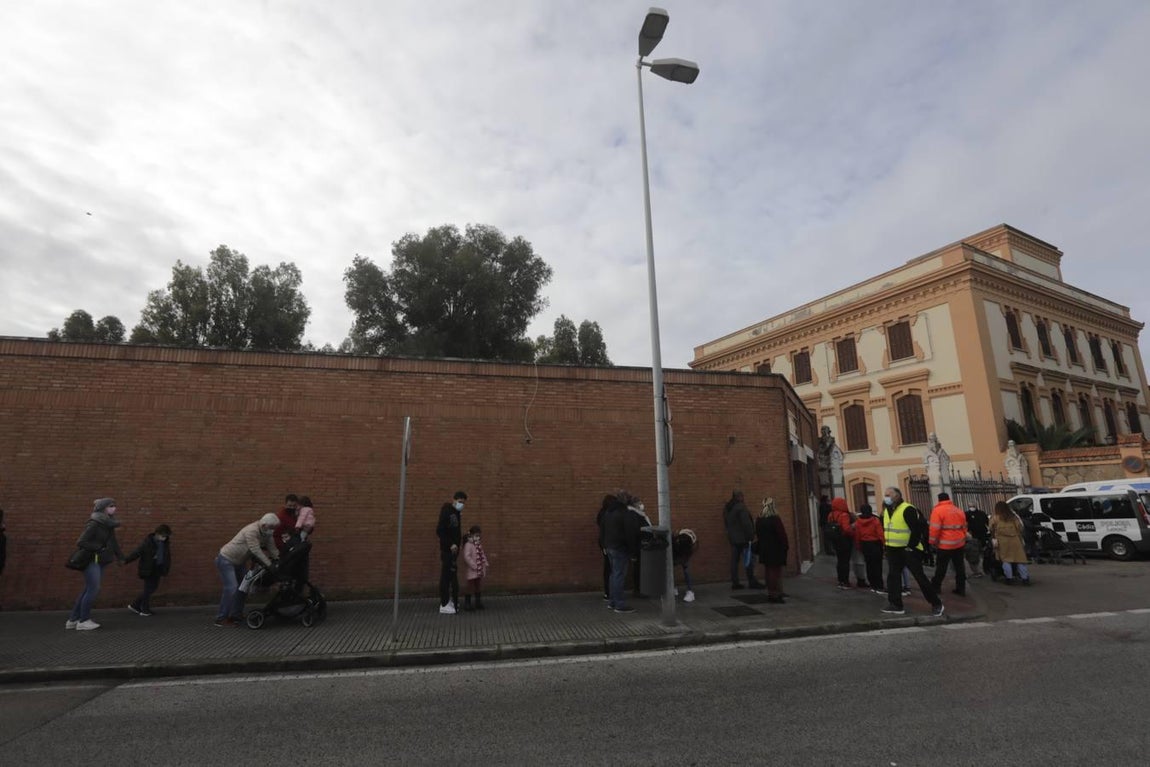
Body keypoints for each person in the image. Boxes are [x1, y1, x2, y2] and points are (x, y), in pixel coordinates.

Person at [880, 486, 944, 617]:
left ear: (897, 496)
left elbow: (917, 528)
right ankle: (896, 604)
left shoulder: (907, 509)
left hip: (909, 550)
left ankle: (936, 603)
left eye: (889, 495)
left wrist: (910, 546)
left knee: (919, 577)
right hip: (893, 549)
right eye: (885, 495)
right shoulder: (887, 511)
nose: (886, 497)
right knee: (893, 577)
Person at [67, 498, 125, 631]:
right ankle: (84, 620)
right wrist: (99, 548)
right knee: (94, 589)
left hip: (102, 560)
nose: (114, 508)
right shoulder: (94, 523)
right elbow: (81, 541)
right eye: (111, 506)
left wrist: (120, 557)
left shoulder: (108, 524)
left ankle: (73, 620)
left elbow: (113, 542)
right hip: (91, 560)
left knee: (88, 589)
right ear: (103, 508)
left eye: (114, 505)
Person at [216, 513, 280, 627]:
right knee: (231, 588)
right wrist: (270, 565)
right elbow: (255, 550)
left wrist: (279, 560)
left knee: (244, 587)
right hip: (226, 559)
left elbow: (272, 549)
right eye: (272, 528)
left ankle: (236, 615)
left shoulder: (267, 534)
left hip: (239, 562)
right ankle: (221, 618)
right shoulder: (251, 531)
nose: (273, 531)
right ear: (264, 525)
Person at [124, 524, 172, 616]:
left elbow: (167, 556)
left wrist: (166, 566)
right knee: (148, 589)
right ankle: (144, 609)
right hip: (149, 568)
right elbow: (137, 552)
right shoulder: (148, 543)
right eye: (163, 536)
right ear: (157, 534)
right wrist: (125, 560)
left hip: (158, 567)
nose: (164, 538)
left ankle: (135, 605)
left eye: (166, 536)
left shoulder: (165, 543)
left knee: (152, 588)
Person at [929, 493, 968, 597]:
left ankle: (936, 587)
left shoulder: (937, 511)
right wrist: (963, 536)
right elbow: (964, 526)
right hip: (959, 543)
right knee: (959, 567)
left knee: (941, 567)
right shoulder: (958, 510)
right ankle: (961, 588)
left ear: (939, 500)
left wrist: (932, 542)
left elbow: (934, 529)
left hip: (944, 545)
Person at [602, 491, 635, 613]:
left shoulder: (608, 512)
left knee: (613, 574)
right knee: (619, 575)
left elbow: (603, 529)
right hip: (620, 547)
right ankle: (619, 604)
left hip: (610, 546)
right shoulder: (624, 513)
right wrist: (633, 550)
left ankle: (612, 601)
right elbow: (629, 533)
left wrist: (604, 545)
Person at [436, 491, 467, 615]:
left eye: (463, 503)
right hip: (447, 550)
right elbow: (440, 530)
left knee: (451, 576)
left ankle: (450, 600)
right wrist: (451, 544)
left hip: (454, 551)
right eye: (460, 502)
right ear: (454, 500)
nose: (461, 504)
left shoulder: (457, 513)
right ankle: (444, 604)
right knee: (445, 576)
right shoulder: (447, 511)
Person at [724, 490, 761, 589]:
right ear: (739, 496)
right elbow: (746, 524)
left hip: (733, 539)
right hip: (743, 539)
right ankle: (752, 581)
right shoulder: (741, 507)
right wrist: (751, 535)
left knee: (734, 561)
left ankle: (735, 582)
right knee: (749, 559)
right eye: (742, 496)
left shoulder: (728, 508)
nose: (743, 498)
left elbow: (727, 524)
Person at [755, 498, 789, 603]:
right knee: (775, 572)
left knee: (768, 570)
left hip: (764, 549)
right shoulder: (775, 519)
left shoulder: (759, 519)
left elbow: (758, 534)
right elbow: (782, 535)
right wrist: (785, 546)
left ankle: (771, 592)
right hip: (775, 549)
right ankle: (776, 594)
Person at [990, 500, 1030, 585]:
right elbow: (1020, 527)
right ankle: (1025, 578)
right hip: (1015, 540)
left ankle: (1009, 578)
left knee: (1006, 560)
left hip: (1002, 541)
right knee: (1020, 560)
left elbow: (991, 529)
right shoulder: (1013, 517)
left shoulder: (995, 518)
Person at [854, 504, 884, 595]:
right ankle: (879, 585)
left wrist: (859, 546)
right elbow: (880, 534)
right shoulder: (875, 520)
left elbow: (857, 535)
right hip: (875, 544)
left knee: (869, 565)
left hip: (865, 544)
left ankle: (872, 584)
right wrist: (884, 544)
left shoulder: (858, 522)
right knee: (878, 565)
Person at [827, 497, 855, 589]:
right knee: (845, 561)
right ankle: (845, 581)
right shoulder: (844, 515)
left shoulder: (831, 515)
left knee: (839, 561)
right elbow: (846, 529)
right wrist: (852, 532)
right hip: (844, 540)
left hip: (835, 540)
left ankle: (840, 580)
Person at [627, 497, 652, 597]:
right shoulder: (634, 515)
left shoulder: (640, 514)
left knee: (640, 568)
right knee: (639, 569)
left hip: (642, 545)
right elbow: (635, 532)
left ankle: (641, 589)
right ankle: (639, 590)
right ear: (635, 505)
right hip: (640, 546)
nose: (642, 504)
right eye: (639, 503)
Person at [462, 525, 489, 611]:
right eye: (476, 535)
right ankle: (467, 603)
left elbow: (482, 554)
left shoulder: (478, 544)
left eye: (479, 536)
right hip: (472, 569)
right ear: (472, 535)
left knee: (478, 585)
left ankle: (478, 602)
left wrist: (485, 562)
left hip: (479, 569)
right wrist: (474, 565)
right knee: (470, 586)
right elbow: (467, 557)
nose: (478, 537)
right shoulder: (468, 545)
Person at [596, 494, 614, 602]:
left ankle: (608, 592)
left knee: (608, 568)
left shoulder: (602, 513)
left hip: (605, 544)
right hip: (609, 544)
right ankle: (609, 592)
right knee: (611, 569)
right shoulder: (608, 514)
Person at [671, 528, 698, 602]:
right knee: (671, 567)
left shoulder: (691, 545)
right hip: (678, 550)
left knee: (686, 568)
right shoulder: (676, 538)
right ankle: (673, 587)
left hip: (686, 550)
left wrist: (682, 560)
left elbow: (687, 556)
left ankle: (690, 591)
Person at [965, 505, 991, 577]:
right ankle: (985, 569)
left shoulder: (966, 514)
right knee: (983, 553)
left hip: (973, 537)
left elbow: (965, 524)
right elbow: (987, 523)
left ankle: (977, 571)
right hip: (982, 536)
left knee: (973, 555)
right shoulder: (982, 513)